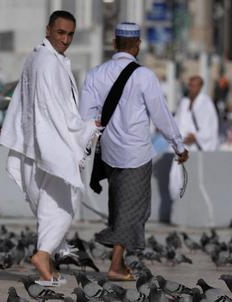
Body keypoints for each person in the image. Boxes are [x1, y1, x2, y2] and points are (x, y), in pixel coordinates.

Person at [79, 22, 188, 281]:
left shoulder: (95, 74)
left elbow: (84, 117)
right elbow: (161, 115)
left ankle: (117, 258)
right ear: (137, 45)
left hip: (108, 154)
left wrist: (82, 151)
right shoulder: (144, 76)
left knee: (120, 207)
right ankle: (116, 265)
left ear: (115, 43)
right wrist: (178, 145)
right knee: (134, 211)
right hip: (136, 155)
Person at [0, 10, 98, 285]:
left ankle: (47, 262)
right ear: (48, 30)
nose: (65, 40)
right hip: (50, 145)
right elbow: (54, 110)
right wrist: (86, 128)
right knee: (63, 205)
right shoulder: (48, 63)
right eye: (60, 33)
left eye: (70, 35)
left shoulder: (37, 58)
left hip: (33, 145)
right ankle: (43, 255)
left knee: (46, 205)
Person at [173, 75, 218, 151]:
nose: (190, 88)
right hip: (183, 144)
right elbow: (177, 121)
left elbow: (209, 127)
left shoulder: (206, 103)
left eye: (193, 86)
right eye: (190, 85)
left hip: (198, 145)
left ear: (200, 87)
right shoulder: (184, 102)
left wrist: (196, 137)